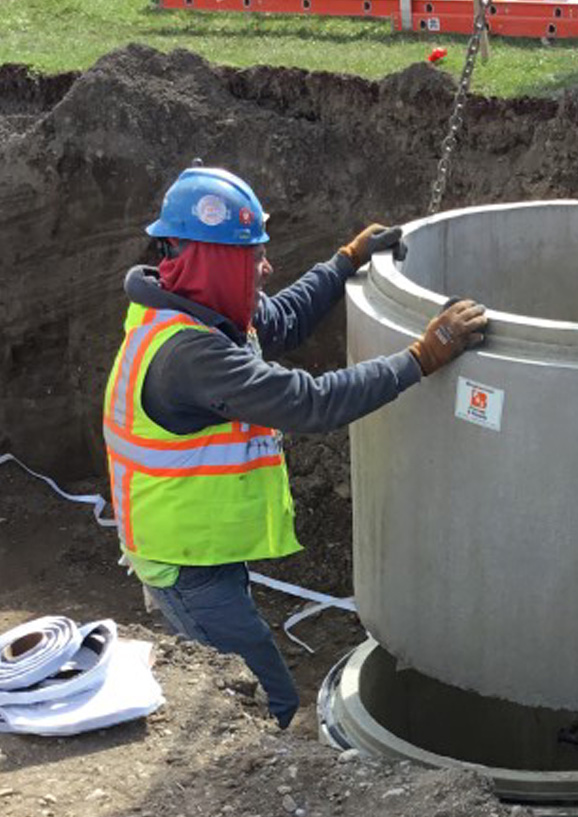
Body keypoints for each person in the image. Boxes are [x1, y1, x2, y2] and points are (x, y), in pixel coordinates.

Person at [103, 165, 487, 729]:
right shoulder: (190, 355)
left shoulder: (196, 307)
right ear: (214, 260)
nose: (265, 266)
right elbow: (308, 402)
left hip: (205, 551)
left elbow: (278, 319)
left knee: (248, 676)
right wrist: (420, 358)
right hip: (184, 566)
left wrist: (343, 263)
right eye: (251, 255)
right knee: (265, 700)